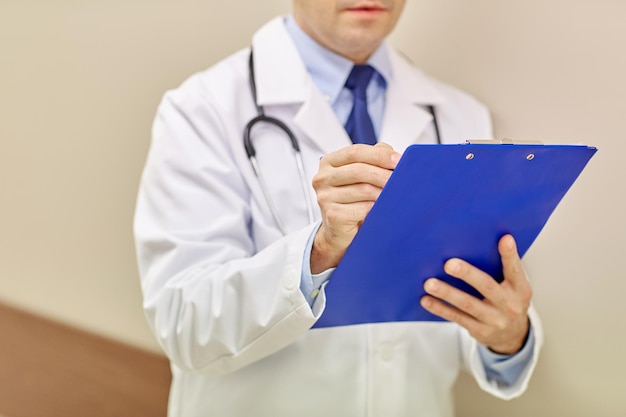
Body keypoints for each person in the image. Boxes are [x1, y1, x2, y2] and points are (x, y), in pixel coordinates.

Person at [133, 1, 543, 416]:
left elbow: (470, 301)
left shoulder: (461, 116)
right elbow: (185, 324)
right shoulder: (202, 109)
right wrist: (320, 250)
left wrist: (507, 340)